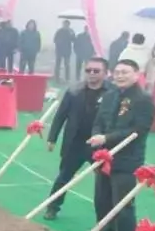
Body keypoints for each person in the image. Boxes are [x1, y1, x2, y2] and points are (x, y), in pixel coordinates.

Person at [85, 59, 155, 231]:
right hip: (104, 157)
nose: (120, 76)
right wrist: (97, 136)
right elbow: (99, 121)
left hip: (127, 160)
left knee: (123, 204)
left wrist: (107, 138)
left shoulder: (143, 100)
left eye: (125, 72)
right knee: (102, 200)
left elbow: (139, 130)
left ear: (136, 74)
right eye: (117, 72)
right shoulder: (110, 95)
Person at [43, 56, 109, 221]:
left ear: (105, 73)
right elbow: (61, 115)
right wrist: (52, 138)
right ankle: (52, 207)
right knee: (63, 177)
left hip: (100, 146)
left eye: (96, 71)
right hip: (74, 143)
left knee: (104, 183)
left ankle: (105, 219)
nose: (91, 73)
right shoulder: (74, 91)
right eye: (88, 70)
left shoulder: (113, 93)